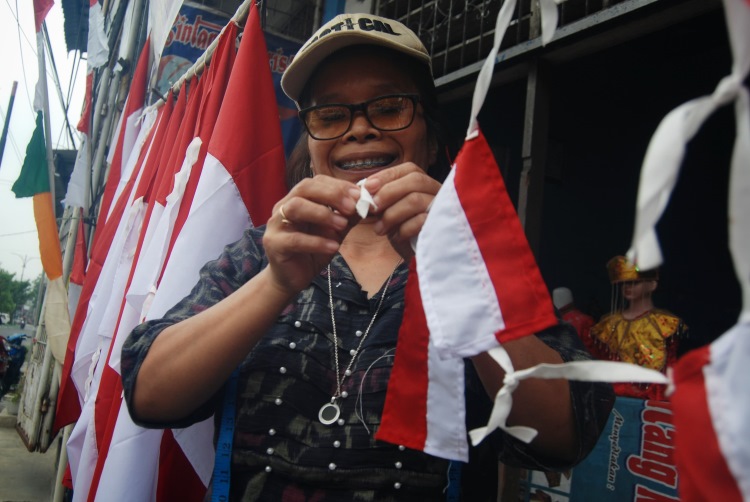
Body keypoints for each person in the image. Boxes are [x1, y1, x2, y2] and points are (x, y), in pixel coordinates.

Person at [122, 13, 613, 500]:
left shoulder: (481, 259)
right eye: (331, 115)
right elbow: (149, 395)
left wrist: (457, 277)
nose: (358, 130)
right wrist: (275, 284)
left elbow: (566, 434)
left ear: (430, 135)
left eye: (389, 106)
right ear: (311, 146)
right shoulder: (262, 252)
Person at [588, 256, 687, 400]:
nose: (627, 287)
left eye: (635, 282)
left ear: (652, 285)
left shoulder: (666, 324)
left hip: (653, 402)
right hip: (614, 399)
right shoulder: (608, 326)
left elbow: (670, 367)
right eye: (624, 283)